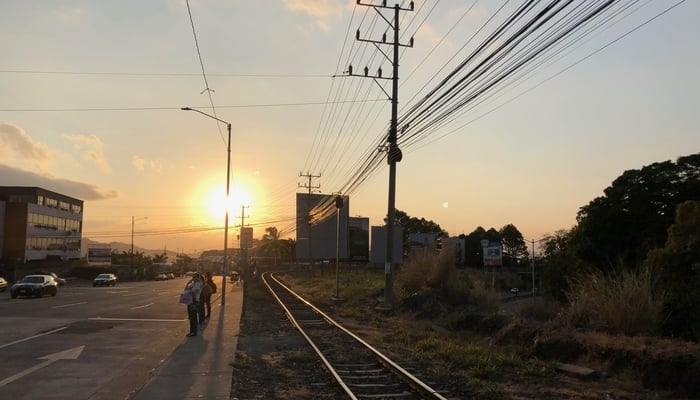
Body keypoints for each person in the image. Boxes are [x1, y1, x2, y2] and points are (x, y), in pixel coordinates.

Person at [184, 272, 203, 337]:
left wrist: (189, 289)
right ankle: (192, 331)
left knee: (193, 317)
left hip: (194, 302)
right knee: (191, 317)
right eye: (193, 277)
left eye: (195, 277)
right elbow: (186, 289)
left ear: (198, 277)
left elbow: (193, 291)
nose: (193, 279)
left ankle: (193, 332)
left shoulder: (198, 284)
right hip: (191, 301)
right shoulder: (193, 284)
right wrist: (188, 283)